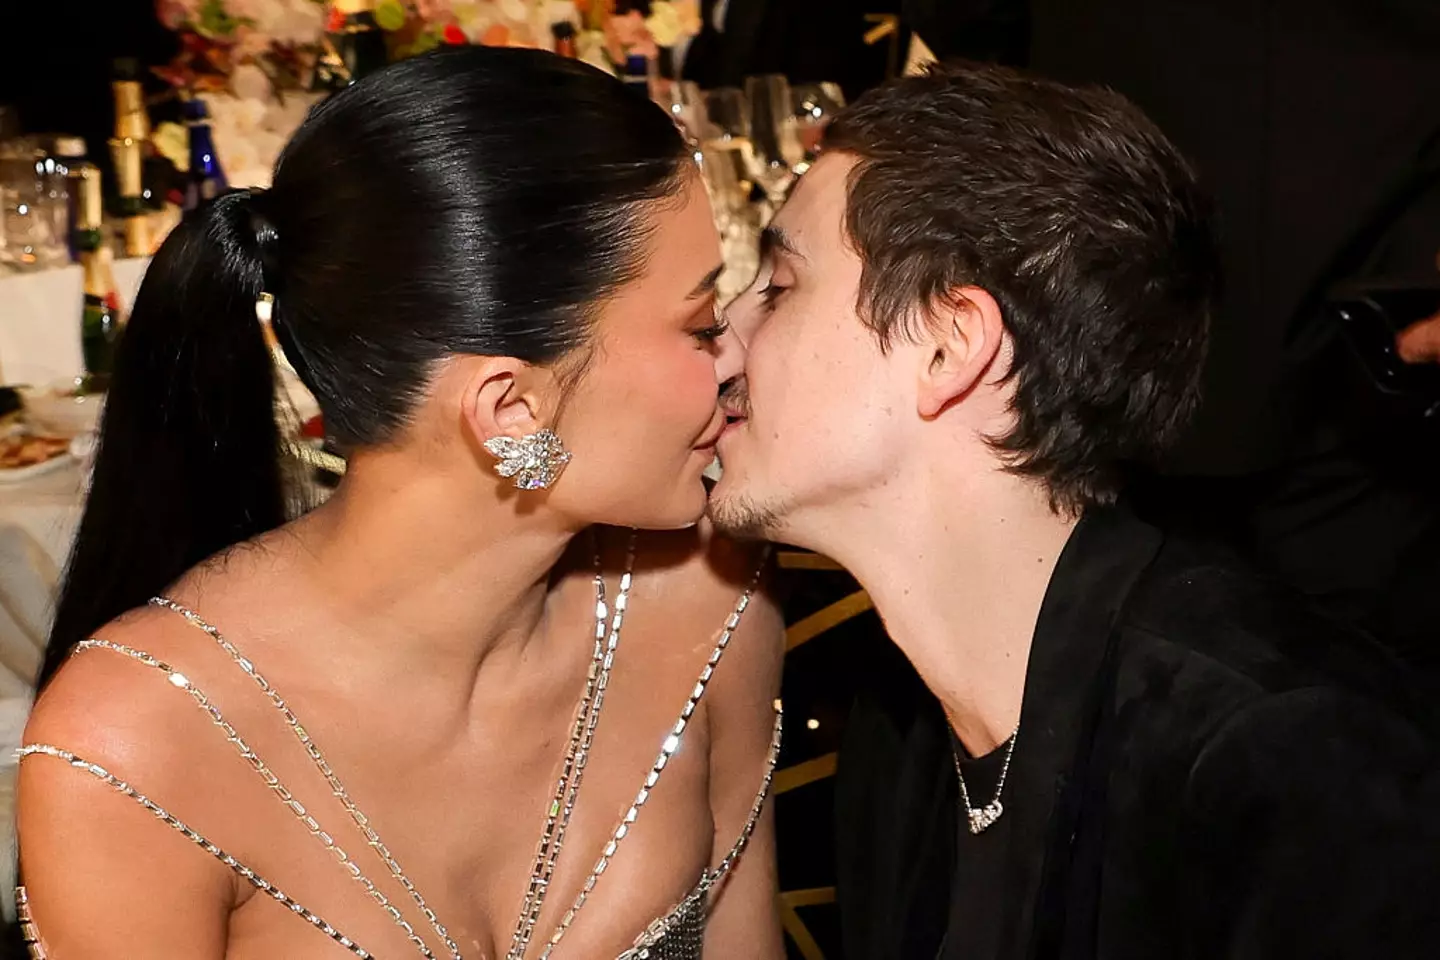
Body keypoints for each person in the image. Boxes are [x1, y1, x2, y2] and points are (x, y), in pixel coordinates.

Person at [17, 48, 785, 960]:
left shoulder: (705, 608)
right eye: (701, 325)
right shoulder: (141, 746)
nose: (738, 356)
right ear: (510, 410)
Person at [710, 63, 1440, 959]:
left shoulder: (1286, 762)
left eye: (779, 287)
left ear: (949, 344)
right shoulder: (902, 726)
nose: (723, 342)